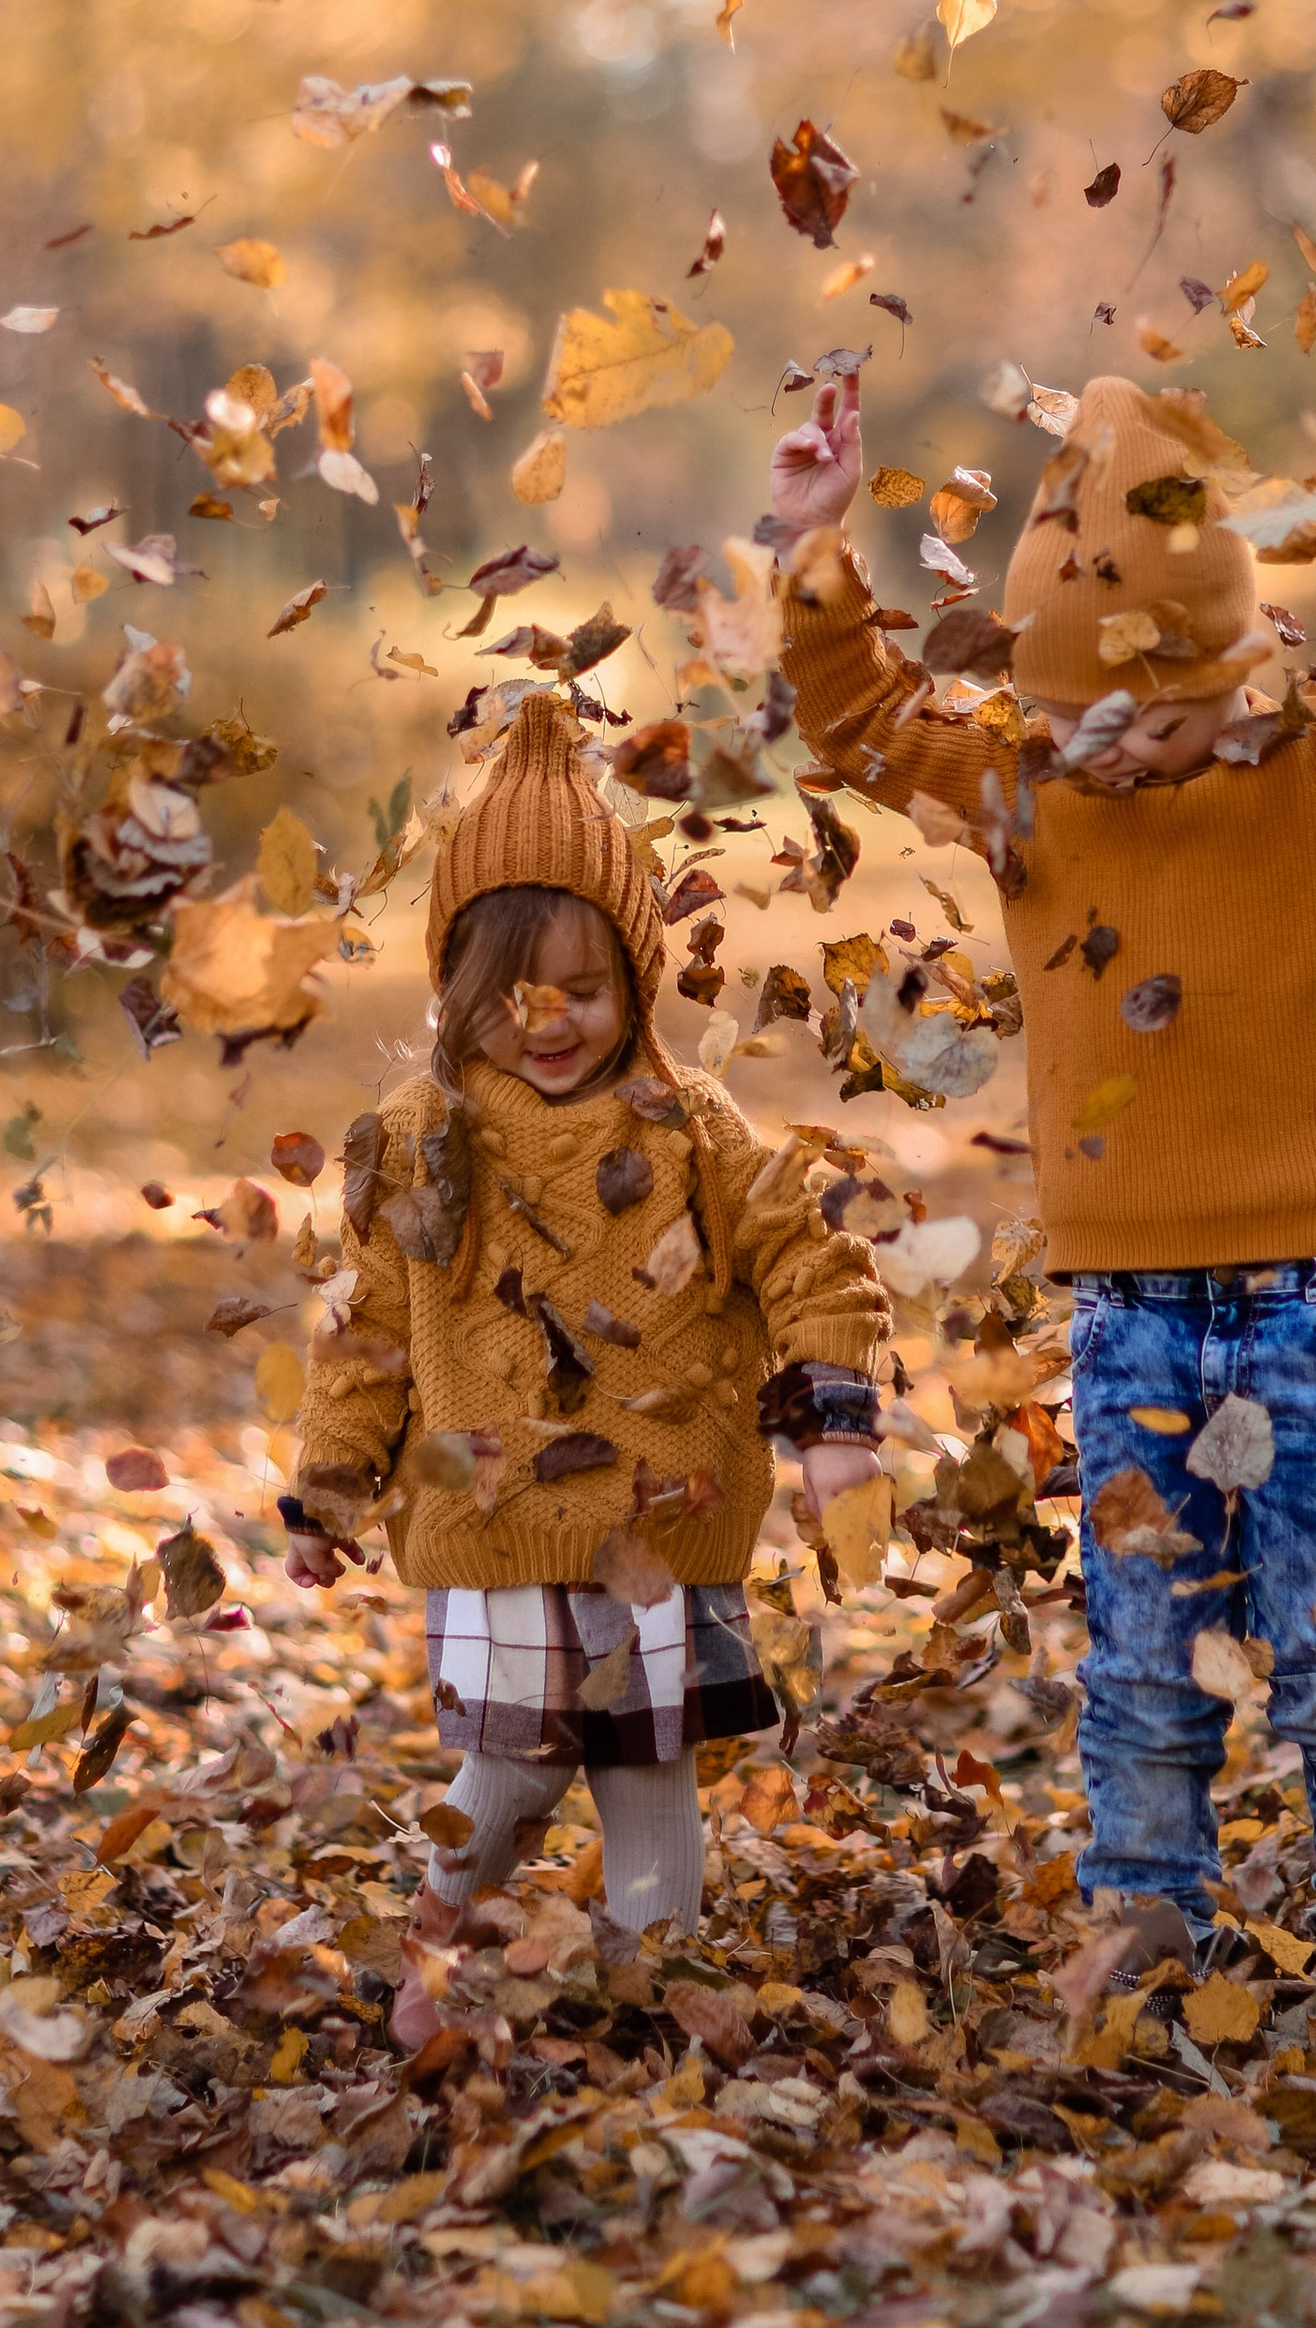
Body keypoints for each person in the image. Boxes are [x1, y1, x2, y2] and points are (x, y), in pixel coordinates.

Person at [765, 272, 1316, 2017]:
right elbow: (860, 724)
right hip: (1129, 1306)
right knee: (1143, 1658)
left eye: (1148, 708)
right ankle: (1145, 1931)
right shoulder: (1031, 793)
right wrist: (822, 549)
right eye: (1075, 716)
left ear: (1235, 658)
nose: (1112, 745)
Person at [283, 690, 887, 1999]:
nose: (546, 1023)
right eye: (511, 996)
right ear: (456, 991)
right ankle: (436, 1962)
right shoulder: (417, 1140)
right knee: (509, 1768)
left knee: (645, 1771)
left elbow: (801, 1244)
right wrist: (331, 1483)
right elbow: (369, 1332)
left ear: (635, 983)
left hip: (664, 1527)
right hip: (499, 1522)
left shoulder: (688, 1126)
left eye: (582, 990)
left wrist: (834, 1413)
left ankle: (649, 1993)